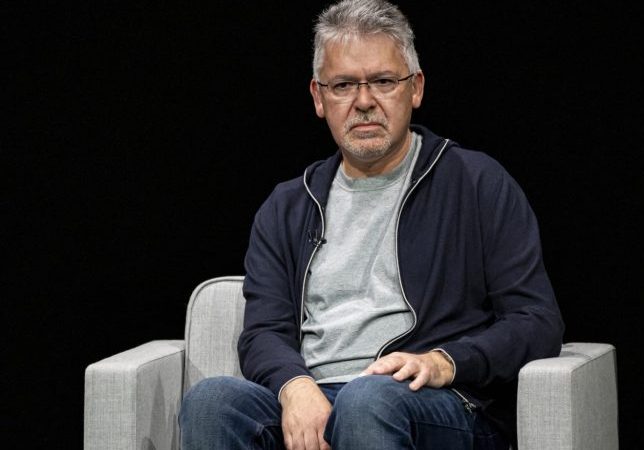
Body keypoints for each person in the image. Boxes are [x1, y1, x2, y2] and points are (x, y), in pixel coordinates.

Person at [179, 0, 564, 449]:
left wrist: (445, 361)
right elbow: (263, 332)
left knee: (367, 400)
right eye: (343, 85)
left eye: (383, 81)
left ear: (415, 88)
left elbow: (537, 320)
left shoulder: (476, 182)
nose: (364, 102)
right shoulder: (287, 205)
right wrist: (294, 386)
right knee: (212, 401)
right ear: (319, 97)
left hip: (434, 400)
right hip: (320, 397)